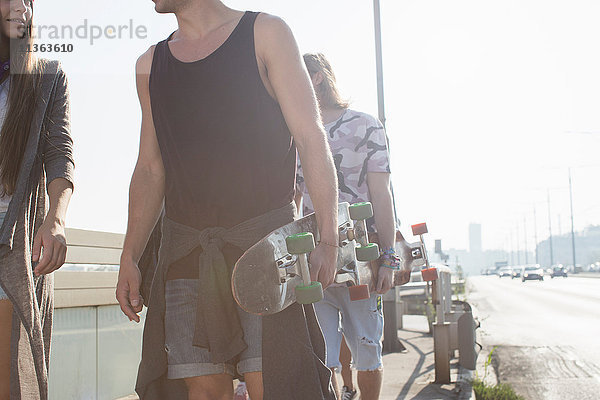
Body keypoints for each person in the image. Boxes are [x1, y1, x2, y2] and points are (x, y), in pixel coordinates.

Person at [115, 1, 339, 399]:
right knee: (201, 391)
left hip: (268, 251)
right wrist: (129, 255)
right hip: (186, 254)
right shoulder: (149, 64)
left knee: (275, 384)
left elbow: (310, 136)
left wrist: (328, 238)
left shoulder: (266, 33)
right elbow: (150, 168)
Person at [296, 53, 412, 400]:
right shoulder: (291, 130)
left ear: (316, 77)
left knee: (366, 349)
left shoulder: (365, 125)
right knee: (321, 354)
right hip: (313, 259)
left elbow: (382, 195)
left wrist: (390, 258)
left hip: (362, 260)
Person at [0, 0, 75, 398]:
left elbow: (59, 154)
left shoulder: (46, 76)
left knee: (12, 382)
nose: (20, 7)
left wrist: (55, 221)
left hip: (12, 244)